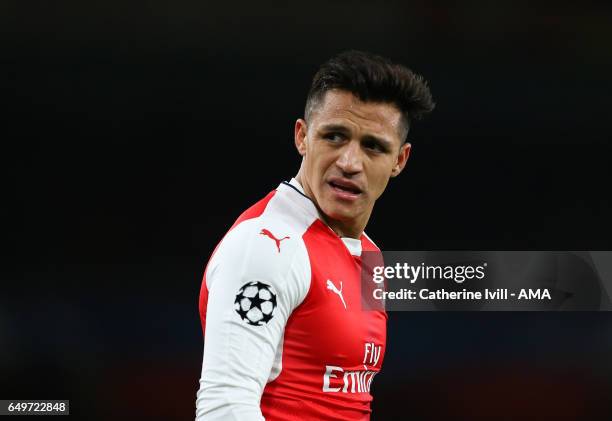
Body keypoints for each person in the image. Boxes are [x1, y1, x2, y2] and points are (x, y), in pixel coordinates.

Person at [195, 50, 434, 420]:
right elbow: (223, 408)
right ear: (302, 137)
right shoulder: (268, 245)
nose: (349, 163)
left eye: (373, 146)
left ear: (399, 160)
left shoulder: (370, 256)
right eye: (334, 137)